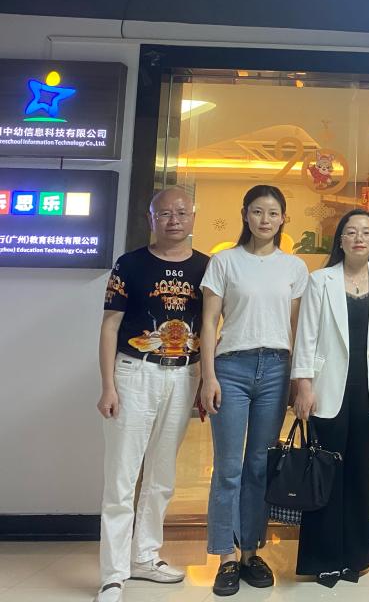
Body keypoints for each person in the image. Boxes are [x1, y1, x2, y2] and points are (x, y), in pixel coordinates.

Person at [93, 187, 209, 602]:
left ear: (193, 216)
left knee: (162, 476)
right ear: (151, 219)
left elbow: (211, 327)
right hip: (134, 374)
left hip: (184, 376)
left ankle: (144, 556)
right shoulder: (130, 264)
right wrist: (108, 385)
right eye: (165, 213)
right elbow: (110, 326)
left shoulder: (207, 267)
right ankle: (113, 573)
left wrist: (205, 380)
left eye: (181, 212)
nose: (174, 220)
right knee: (122, 477)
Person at [199, 185, 309, 597]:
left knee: (260, 466)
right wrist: (208, 376)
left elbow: (296, 329)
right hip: (231, 367)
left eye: (273, 213)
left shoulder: (294, 267)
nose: (266, 220)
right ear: (245, 214)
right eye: (258, 211)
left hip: (277, 369)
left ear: (283, 219)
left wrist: (298, 380)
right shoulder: (224, 261)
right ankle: (225, 556)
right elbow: (208, 323)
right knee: (228, 467)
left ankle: (250, 552)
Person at [292, 209, 369, 587]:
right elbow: (306, 334)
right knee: (325, 472)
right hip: (327, 389)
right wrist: (303, 385)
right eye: (351, 232)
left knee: (360, 472)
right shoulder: (320, 280)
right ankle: (323, 558)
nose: (359, 238)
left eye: (366, 232)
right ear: (340, 239)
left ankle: (355, 557)